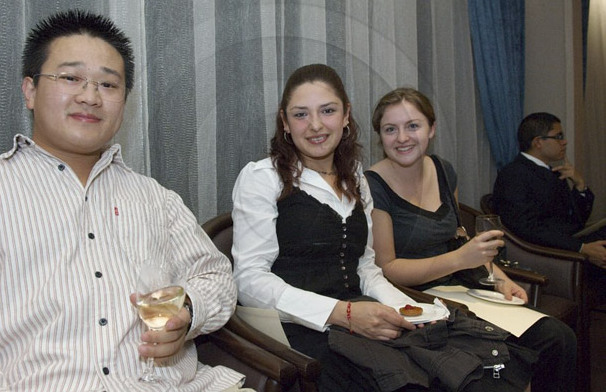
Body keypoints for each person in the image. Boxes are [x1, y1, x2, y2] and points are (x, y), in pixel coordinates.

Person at [0, 10, 250, 391]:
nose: (90, 97)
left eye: (108, 85)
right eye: (70, 78)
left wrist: (188, 311)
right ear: (30, 90)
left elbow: (215, 277)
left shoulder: (155, 198)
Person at [232, 65, 535, 392]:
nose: (316, 125)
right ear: (284, 122)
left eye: (328, 111)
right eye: (301, 114)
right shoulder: (262, 178)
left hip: (362, 314)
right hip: (300, 329)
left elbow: (365, 267)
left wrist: (409, 310)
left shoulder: (355, 178)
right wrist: (343, 313)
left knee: (479, 369)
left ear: (346, 115)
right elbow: (249, 280)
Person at [365, 88, 577, 392]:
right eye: (390, 129)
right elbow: (387, 268)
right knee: (505, 365)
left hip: (461, 288)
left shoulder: (443, 170)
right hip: (414, 301)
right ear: (380, 136)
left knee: (558, 338)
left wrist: (500, 279)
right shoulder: (373, 185)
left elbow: (460, 239)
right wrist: (458, 260)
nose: (402, 138)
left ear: (431, 129)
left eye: (412, 126)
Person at [492, 112, 606, 268]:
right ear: (538, 142)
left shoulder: (554, 172)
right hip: (549, 252)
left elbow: (576, 220)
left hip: (568, 241)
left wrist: (580, 185)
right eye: (559, 137)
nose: (564, 142)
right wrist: (581, 249)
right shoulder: (513, 175)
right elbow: (528, 229)